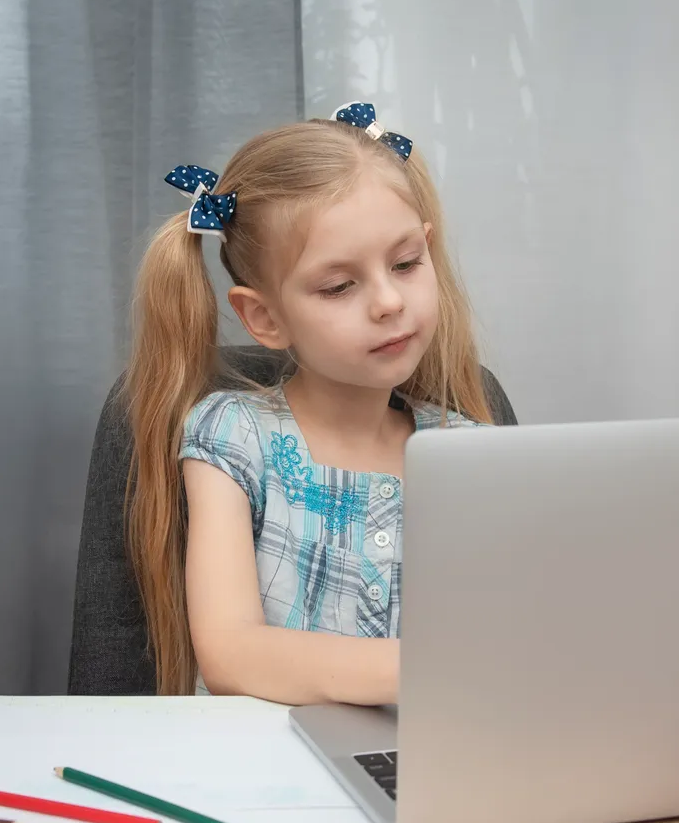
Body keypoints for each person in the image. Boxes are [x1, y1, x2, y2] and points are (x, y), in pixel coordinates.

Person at [123, 103, 492, 703]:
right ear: (264, 317)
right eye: (339, 286)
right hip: (261, 777)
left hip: (430, 767)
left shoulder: (471, 455)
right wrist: (442, 670)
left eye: (405, 264)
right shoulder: (233, 436)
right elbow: (232, 654)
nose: (388, 301)